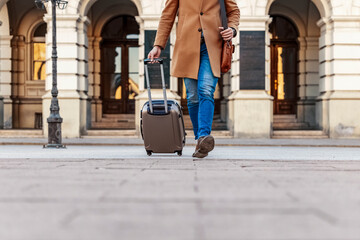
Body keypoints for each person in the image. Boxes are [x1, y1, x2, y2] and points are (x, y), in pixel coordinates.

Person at [147, 0, 240, 158]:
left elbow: (233, 11)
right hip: (187, 47)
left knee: (206, 90)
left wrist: (232, 29)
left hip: (212, 46)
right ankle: (200, 141)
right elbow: (167, 16)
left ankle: (204, 135)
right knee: (192, 96)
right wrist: (158, 45)